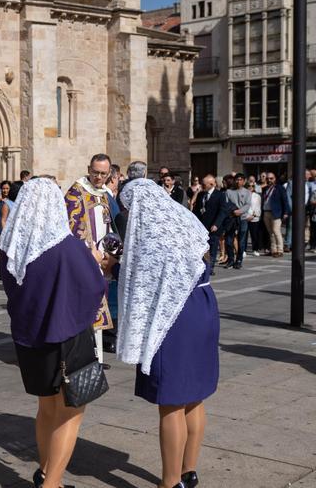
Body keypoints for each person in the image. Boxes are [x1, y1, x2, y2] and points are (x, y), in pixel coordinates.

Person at [0, 178, 106, 488]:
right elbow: (94, 287)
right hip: (66, 334)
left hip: (29, 337)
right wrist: (95, 262)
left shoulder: (10, 245)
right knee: (71, 411)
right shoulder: (65, 246)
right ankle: (52, 483)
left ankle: (46, 472)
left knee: (46, 408)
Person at [114, 178, 219, 488]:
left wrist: (112, 266)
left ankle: (170, 482)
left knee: (171, 400)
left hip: (174, 316)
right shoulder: (184, 218)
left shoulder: (151, 232)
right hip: (203, 306)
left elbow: (144, 281)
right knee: (195, 397)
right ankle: (189, 471)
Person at [65, 154, 115, 367]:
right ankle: (84, 357)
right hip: (84, 259)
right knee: (86, 309)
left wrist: (109, 253)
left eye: (103, 174)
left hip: (101, 258)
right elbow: (71, 227)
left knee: (98, 309)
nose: (98, 177)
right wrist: (90, 252)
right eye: (95, 172)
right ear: (89, 169)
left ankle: (98, 357)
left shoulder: (104, 193)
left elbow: (107, 224)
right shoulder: (76, 192)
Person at [193, 175, 228, 274]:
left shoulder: (220, 195)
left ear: (211, 184)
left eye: (204, 184)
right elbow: (196, 210)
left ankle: (210, 268)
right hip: (202, 226)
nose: (202, 186)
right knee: (203, 249)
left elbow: (223, 211)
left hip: (214, 227)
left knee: (212, 248)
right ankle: (203, 266)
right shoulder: (201, 195)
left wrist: (216, 224)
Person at [223, 173, 252, 269]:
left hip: (242, 218)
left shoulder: (248, 192)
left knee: (241, 240)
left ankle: (239, 260)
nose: (238, 181)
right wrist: (233, 211)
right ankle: (230, 259)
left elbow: (247, 205)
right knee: (228, 240)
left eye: (240, 179)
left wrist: (240, 211)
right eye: (236, 179)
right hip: (231, 218)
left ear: (244, 181)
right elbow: (226, 204)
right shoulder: (228, 192)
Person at [261, 172, 290, 257]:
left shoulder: (279, 188)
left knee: (276, 231)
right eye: (267, 179)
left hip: (276, 212)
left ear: (275, 179)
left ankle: (280, 250)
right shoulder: (265, 188)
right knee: (271, 232)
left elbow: (285, 200)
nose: (269, 180)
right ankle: (273, 250)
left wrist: (285, 212)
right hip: (266, 212)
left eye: (271, 178)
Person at [246, 183, 263, 256]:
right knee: (244, 235)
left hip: (254, 217)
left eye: (252, 186)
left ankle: (255, 249)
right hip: (245, 217)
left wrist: (253, 215)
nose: (250, 187)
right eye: (249, 186)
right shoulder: (243, 195)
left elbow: (258, 207)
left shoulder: (257, 196)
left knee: (254, 235)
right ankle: (243, 250)